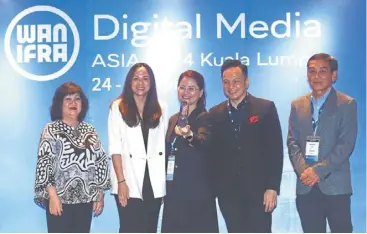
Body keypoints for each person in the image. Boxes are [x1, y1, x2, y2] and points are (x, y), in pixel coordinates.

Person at [208, 59, 283, 232]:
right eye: (226, 82)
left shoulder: (265, 108)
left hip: (259, 192)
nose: (231, 86)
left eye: (236, 81)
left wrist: (272, 187)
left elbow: (275, 151)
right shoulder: (215, 113)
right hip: (229, 195)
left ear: (246, 82)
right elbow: (213, 156)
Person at [287, 53, 357, 233]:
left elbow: (346, 144)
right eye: (312, 71)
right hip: (306, 186)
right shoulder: (297, 104)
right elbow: (292, 142)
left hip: (335, 186)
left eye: (322, 71)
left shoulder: (347, 104)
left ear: (334, 75)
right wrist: (305, 172)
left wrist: (317, 171)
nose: (316, 76)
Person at [34, 82, 110, 233]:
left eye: (77, 99)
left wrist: (100, 195)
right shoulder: (50, 130)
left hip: (85, 200)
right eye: (68, 99)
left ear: (83, 104)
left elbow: (100, 162)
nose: (73, 103)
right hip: (59, 200)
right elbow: (44, 164)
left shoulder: (90, 131)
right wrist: (53, 196)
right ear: (60, 104)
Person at [108, 63, 167, 233]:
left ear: (151, 83)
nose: (140, 83)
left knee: (150, 228)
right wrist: (121, 181)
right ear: (129, 82)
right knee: (129, 228)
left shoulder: (161, 107)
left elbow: (163, 143)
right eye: (136, 78)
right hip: (128, 179)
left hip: (153, 181)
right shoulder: (118, 106)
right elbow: (115, 147)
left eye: (145, 78)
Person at [161, 70, 219, 233]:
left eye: (191, 88)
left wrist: (189, 134)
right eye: (182, 87)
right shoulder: (173, 119)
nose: (186, 93)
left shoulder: (205, 117)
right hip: (174, 193)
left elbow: (203, 142)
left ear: (200, 93)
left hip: (197, 195)